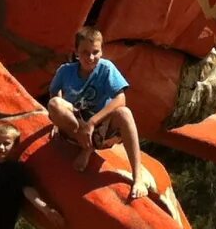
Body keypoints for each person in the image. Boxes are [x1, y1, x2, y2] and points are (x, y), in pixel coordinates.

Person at [46, 26, 149, 200]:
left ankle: (137, 177)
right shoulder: (65, 71)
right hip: (75, 125)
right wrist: (59, 120)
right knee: (55, 103)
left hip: (98, 128)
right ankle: (85, 147)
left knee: (125, 113)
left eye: (96, 52)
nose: (91, 57)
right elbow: (54, 93)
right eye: (85, 52)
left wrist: (92, 123)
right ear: (76, 52)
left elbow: (120, 99)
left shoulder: (106, 68)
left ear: (102, 52)